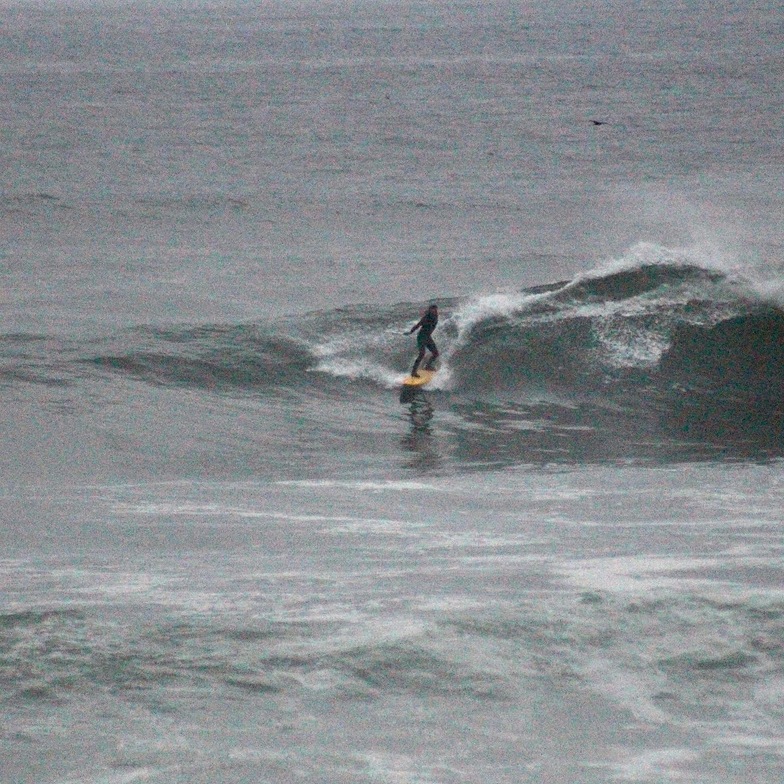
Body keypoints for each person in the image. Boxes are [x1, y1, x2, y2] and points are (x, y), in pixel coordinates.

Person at [408, 303, 439, 377]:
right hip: (421, 337)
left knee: (435, 353)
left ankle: (427, 366)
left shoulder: (436, 316)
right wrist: (411, 331)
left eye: (435, 309)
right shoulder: (426, 317)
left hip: (428, 337)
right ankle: (413, 372)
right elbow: (418, 325)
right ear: (430, 310)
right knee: (422, 354)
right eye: (432, 309)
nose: (434, 311)